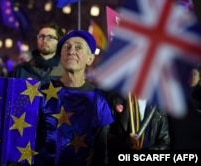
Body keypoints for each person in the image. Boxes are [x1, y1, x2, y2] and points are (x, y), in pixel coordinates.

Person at [34, 30, 114, 166]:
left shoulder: (99, 101)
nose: (71, 51)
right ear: (60, 56)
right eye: (67, 47)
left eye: (78, 47)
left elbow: (103, 152)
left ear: (90, 59)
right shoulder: (40, 93)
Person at [106, 92, 170, 165]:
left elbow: (165, 142)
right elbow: (107, 139)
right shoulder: (119, 104)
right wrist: (126, 141)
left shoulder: (159, 108)